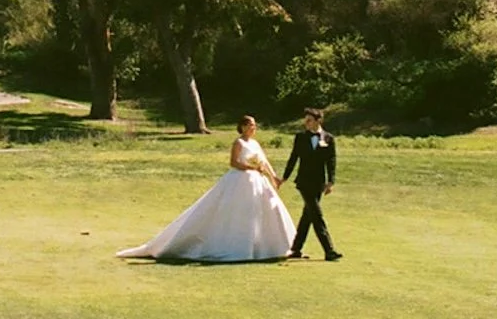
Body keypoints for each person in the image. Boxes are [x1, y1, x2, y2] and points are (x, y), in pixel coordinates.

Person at [117, 116, 296, 263]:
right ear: (242, 127)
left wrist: (274, 178)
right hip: (240, 179)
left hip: (257, 181)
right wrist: (250, 167)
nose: (253, 128)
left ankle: (265, 246)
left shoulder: (255, 144)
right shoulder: (239, 143)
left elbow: (264, 162)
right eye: (250, 125)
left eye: (254, 125)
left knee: (260, 213)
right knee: (235, 212)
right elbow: (233, 163)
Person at [280, 106, 341, 261]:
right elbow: (293, 158)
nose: (306, 123)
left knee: (308, 216)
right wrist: (284, 177)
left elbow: (331, 161)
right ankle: (329, 250)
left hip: (318, 182)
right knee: (317, 215)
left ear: (318, 121)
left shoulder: (328, 138)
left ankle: (296, 249)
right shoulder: (300, 137)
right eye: (305, 120)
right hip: (304, 182)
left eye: (309, 120)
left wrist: (330, 181)